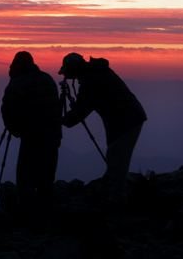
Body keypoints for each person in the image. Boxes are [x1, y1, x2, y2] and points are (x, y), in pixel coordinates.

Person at [59, 53, 147, 210]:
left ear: (76, 68)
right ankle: (105, 192)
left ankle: (117, 201)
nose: (66, 75)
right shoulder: (95, 73)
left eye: (68, 71)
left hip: (126, 121)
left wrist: (63, 121)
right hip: (128, 118)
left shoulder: (92, 80)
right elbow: (85, 104)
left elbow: (82, 108)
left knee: (117, 161)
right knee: (115, 158)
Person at [1, 51, 62, 231]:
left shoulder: (17, 84)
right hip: (53, 139)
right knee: (46, 181)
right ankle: (46, 220)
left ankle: (30, 222)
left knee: (26, 181)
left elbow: (9, 114)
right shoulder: (48, 79)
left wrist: (18, 131)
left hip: (33, 139)